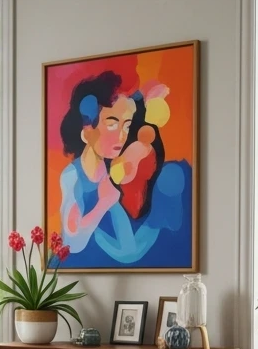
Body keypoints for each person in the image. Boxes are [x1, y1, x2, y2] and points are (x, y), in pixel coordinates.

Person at [56, 71, 189, 266]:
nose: (121, 136)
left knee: (175, 174)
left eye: (126, 126)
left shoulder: (109, 171)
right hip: (80, 271)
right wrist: (103, 203)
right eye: (112, 125)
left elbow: (128, 250)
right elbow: (72, 243)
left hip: (115, 260)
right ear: (87, 131)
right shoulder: (73, 176)